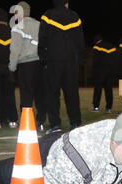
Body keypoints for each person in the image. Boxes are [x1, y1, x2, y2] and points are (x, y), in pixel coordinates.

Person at [39, 0, 85, 133]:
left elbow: (42, 39)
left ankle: (55, 125)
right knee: (72, 93)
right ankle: (75, 123)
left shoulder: (47, 16)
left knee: (52, 94)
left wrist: (44, 60)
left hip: (53, 61)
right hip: (70, 61)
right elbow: (80, 41)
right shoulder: (74, 16)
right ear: (66, 2)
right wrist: (77, 59)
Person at [9, 1, 47, 132]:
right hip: (40, 64)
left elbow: (15, 49)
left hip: (26, 65)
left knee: (26, 96)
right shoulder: (40, 25)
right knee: (40, 95)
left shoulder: (17, 27)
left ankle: (26, 124)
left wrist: (12, 67)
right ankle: (40, 122)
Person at [90, 34, 116, 113]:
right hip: (110, 71)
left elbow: (95, 60)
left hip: (100, 71)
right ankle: (108, 108)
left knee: (98, 89)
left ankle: (96, 107)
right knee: (108, 89)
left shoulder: (97, 47)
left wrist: (93, 71)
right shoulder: (112, 46)